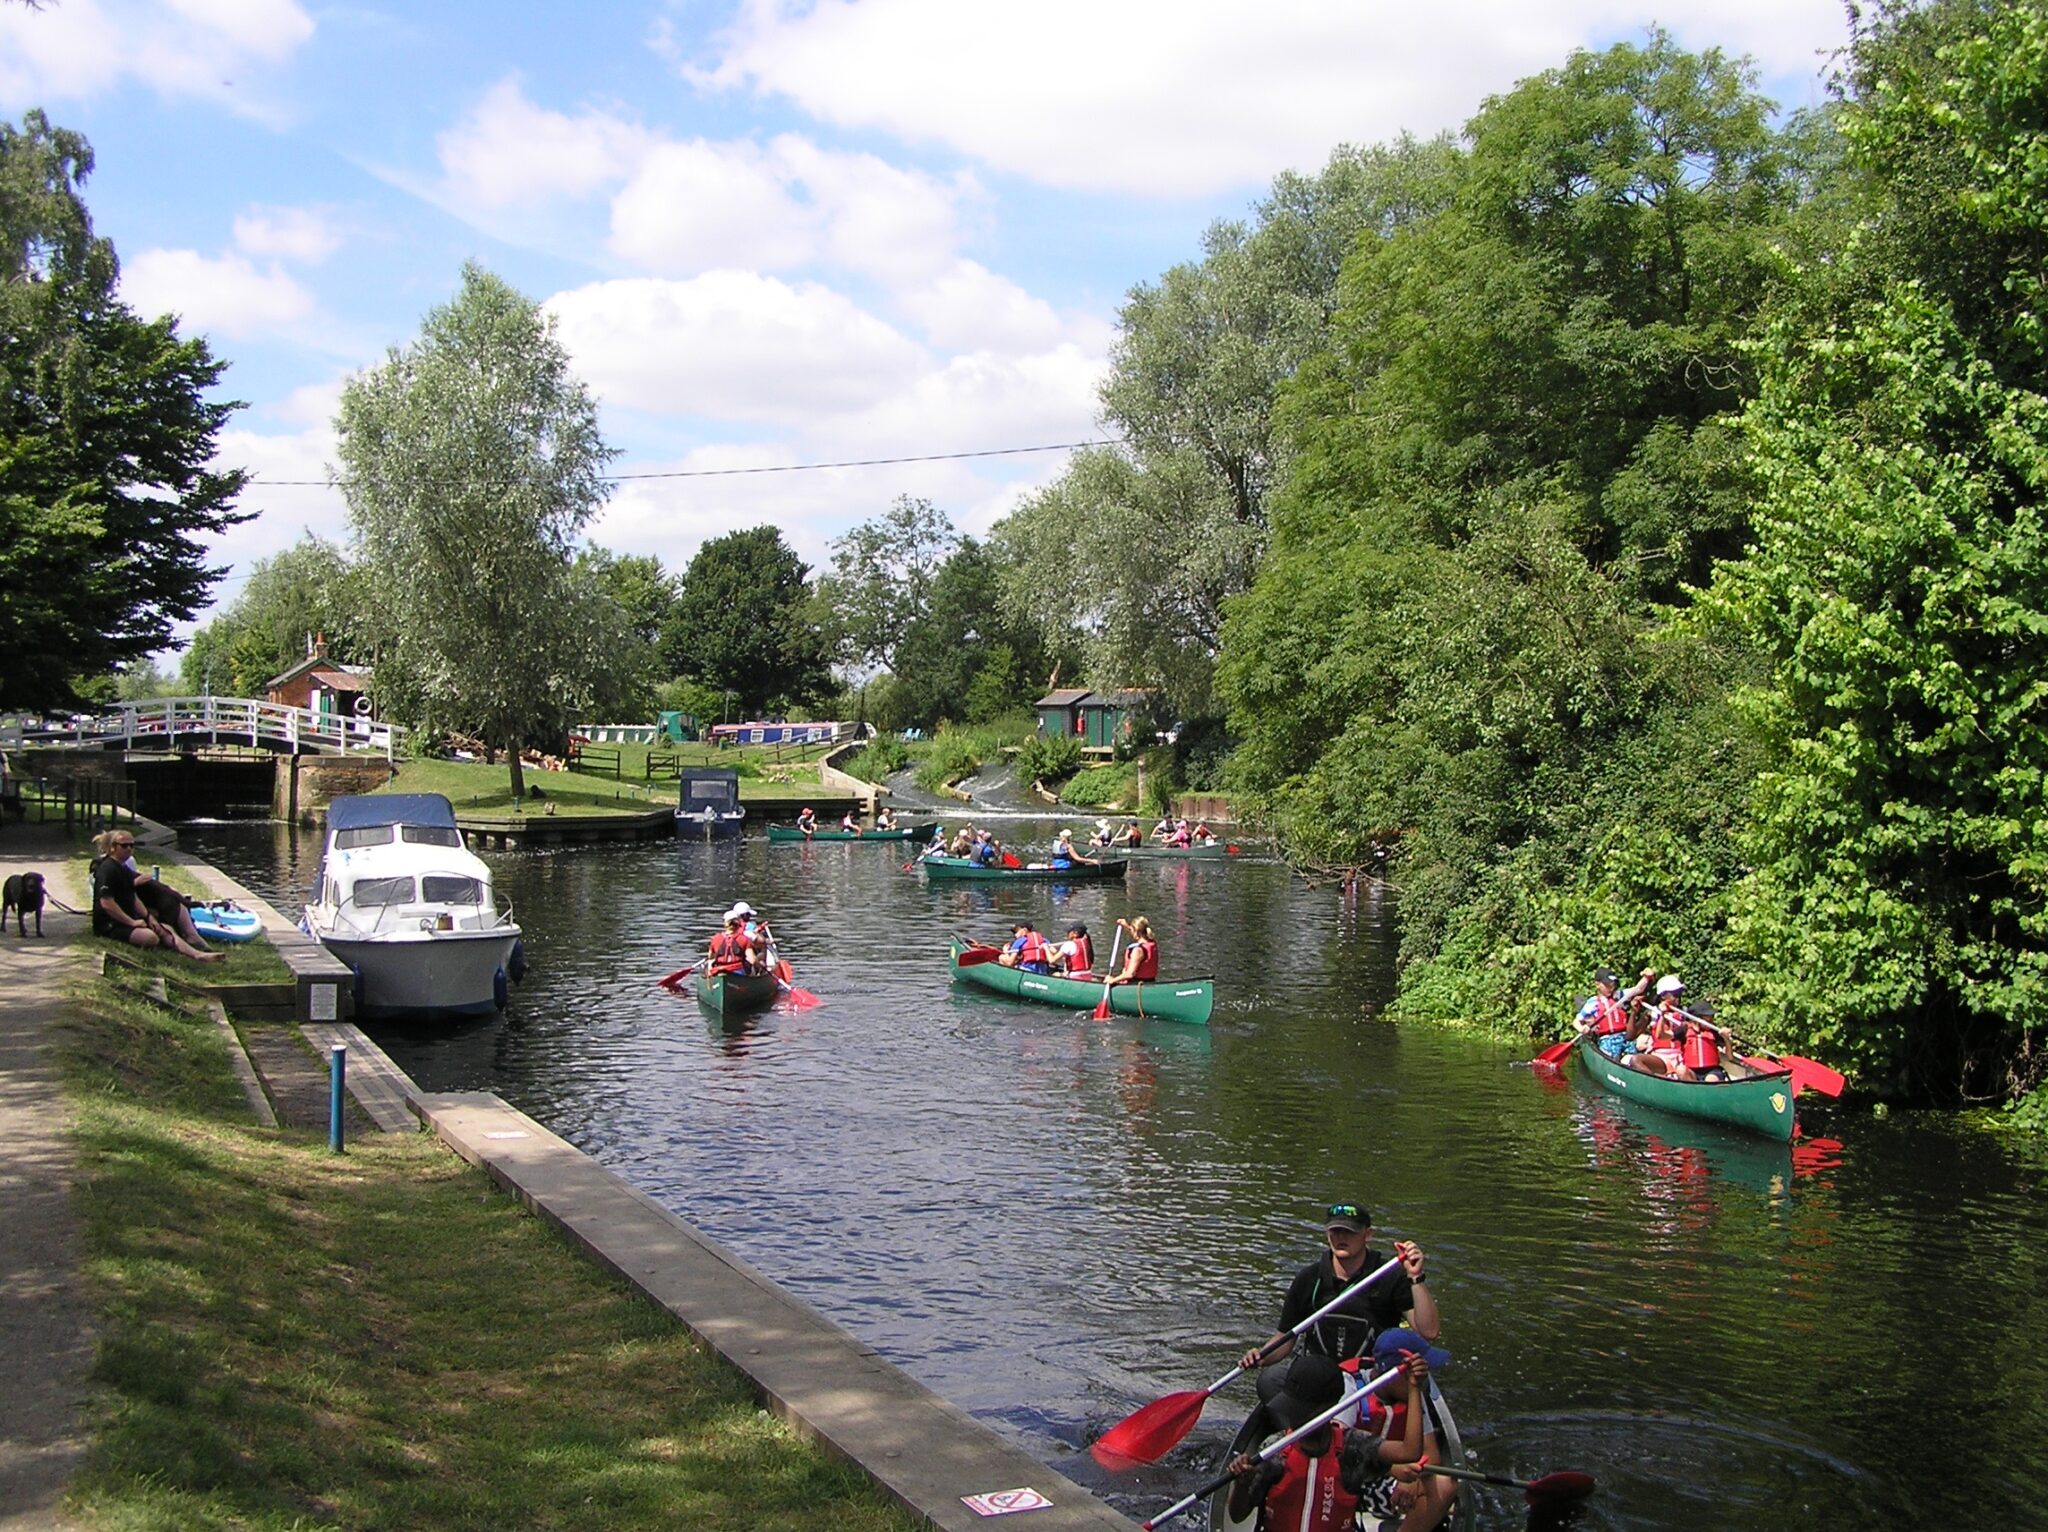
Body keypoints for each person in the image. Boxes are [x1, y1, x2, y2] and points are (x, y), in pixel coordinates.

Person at [1239, 1203, 1438, 1399]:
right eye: (1335, 1231)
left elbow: (1428, 1332)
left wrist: (1416, 1277)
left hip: (1369, 1378)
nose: (1341, 1238)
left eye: (1349, 1232)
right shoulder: (1309, 1278)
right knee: (1270, 1380)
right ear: (1327, 1234)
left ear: (1368, 1234)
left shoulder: (1389, 1276)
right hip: (1318, 1376)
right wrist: (1260, 1356)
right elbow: (1285, 1337)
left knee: (1418, 1385)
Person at [1224, 1354, 1361, 1532]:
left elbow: (1398, 1452)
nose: (1290, 1416)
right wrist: (1242, 1486)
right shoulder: (1273, 1451)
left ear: (1328, 1409)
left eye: (1298, 1410)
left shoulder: (1354, 1447)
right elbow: (1237, 1516)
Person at [1348, 1329, 1457, 1532]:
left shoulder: (1414, 1393)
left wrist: (1413, 1479)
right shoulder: (1350, 1389)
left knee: (1445, 1485)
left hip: (1385, 1482)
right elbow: (1338, 1452)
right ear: (1394, 1375)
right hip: (1348, 1478)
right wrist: (1393, 1470)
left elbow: (1432, 1455)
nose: (1423, 1379)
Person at [91, 831, 223, 962]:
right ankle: (191, 950)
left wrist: (149, 917)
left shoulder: (123, 869)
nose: (129, 849)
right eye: (124, 846)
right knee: (150, 938)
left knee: (165, 928)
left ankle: (197, 954)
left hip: (126, 919)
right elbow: (107, 903)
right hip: (110, 925)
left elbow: (133, 897)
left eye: (132, 845)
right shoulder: (107, 869)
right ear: (113, 847)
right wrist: (131, 922)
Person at [1574, 965, 1656, 1060]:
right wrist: (1582, 1029)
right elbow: (1576, 1021)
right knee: (1610, 1055)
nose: (1611, 987)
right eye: (1607, 985)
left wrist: (1646, 977)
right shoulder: (1593, 1002)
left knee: (1631, 1057)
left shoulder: (1619, 995)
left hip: (1624, 1037)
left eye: (1612, 984)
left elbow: (1638, 989)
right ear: (1597, 984)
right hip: (1607, 1040)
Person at [1629, 975, 1692, 1077]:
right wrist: (1634, 1012)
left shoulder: (1685, 1012)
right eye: (1675, 994)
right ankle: (1652, 1082)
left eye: (1679, 993)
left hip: (1680, 1056)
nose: (1678, 998)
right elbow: (1631, 1035)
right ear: (1663, 996)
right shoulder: (1652, 1012)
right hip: (1660, 1057)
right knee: (1636, 1060)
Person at [1679, 997, 1731, 1082]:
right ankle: (1693, 1087)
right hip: (1692, 1071)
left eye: (1711, 1017)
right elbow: (1662, 1036)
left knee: (1710, 1079)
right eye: (1707, 1018)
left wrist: (1726, 1039)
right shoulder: (1684, 1029)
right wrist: (1663, 1015)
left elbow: (1730, 1057)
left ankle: (1705, 1087)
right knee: (1681, 1070)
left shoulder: (1714, 1031)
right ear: (1697, 1019)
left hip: (1712, 1071)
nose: (1711, 1020)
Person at [1105, 915, 1159, 988]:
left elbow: (1130, 974)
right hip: (1150, 983)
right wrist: (1126, 925)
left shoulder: (1138, 951)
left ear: (1135, 931)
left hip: (1136, 985)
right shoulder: (1151, 941)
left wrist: (1112, 980)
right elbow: (1137, 931)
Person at [705, 907, 758, 977]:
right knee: (753, 969)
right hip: (738, 972)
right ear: (738, 923)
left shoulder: (715, 938)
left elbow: (711, 957)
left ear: (725, 924)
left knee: (708, 964)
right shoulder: (744, 939)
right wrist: (759, 966)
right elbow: (752, 960)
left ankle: (712, 979)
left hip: (719, 971)